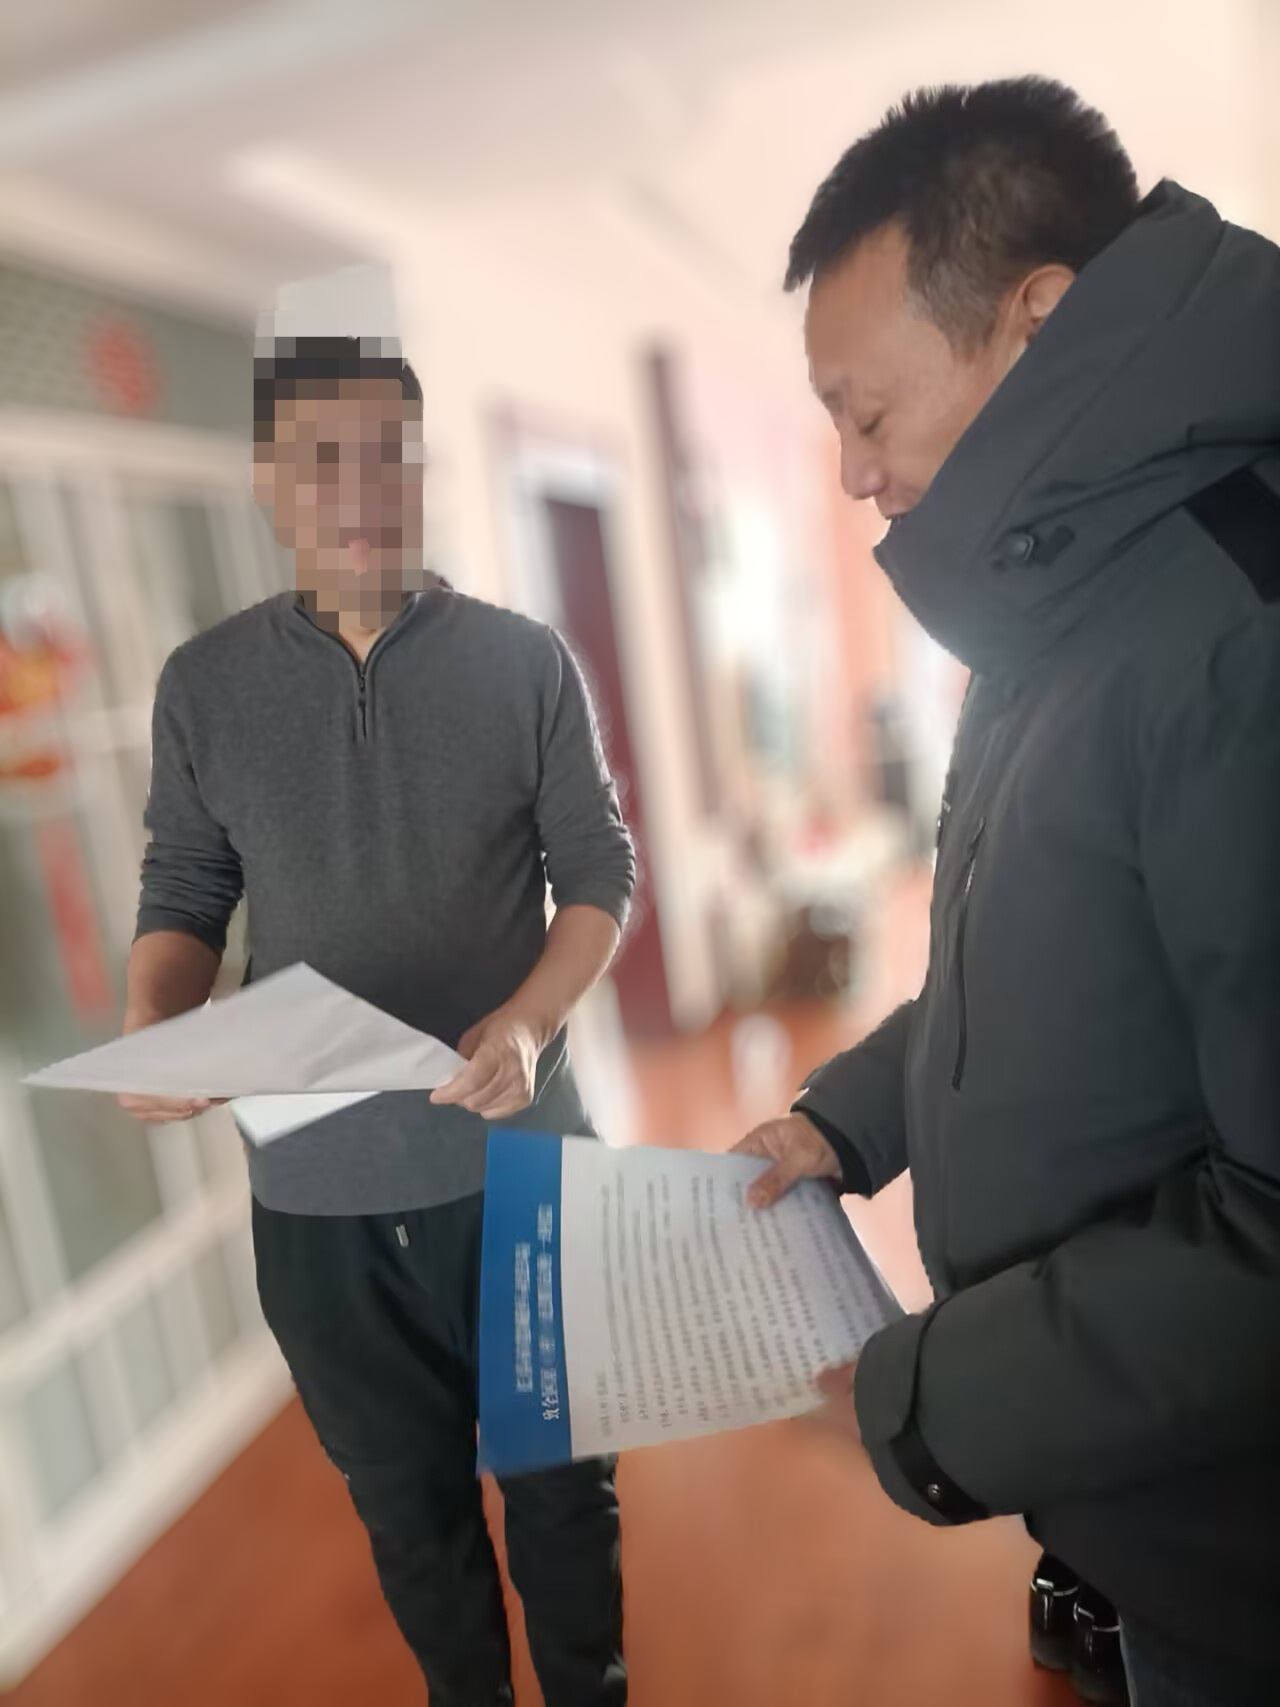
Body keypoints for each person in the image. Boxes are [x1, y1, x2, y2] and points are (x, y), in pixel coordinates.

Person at [735, 78, 1280, 1707]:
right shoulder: (1062, 599)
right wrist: (846, 1118)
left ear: (1035, 324)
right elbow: (1029, 963)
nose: (852, 472)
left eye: (866, 414)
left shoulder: (1237, 629)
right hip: (1131, 1486)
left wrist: (913, 1391)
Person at [119, 277, 633, 1707]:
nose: (358, 493)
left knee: (566, 1499)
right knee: (411, 1519)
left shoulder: (523, 662)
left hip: (523, 1169)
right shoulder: (202, 686)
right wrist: (157, 1020)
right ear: (269, 481)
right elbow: (184, 892)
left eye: (387, 457)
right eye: (321, 461)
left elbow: (599, 870)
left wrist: (531, 1017)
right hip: (316, 1194)